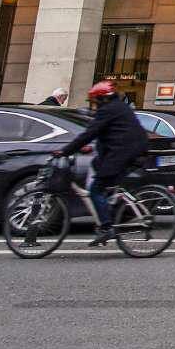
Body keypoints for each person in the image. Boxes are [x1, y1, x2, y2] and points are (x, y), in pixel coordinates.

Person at [57, 80, 150, 246]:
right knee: (99, 171)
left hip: (124, 153)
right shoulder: (119, 107)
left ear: (102, 99)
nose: (94, 105)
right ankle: (110, 211)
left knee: (95, 190)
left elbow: (89, 134)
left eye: (95, 101)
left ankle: (107, 227)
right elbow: (107, 135)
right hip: (130, 151)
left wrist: (66, 151)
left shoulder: (108, 110)